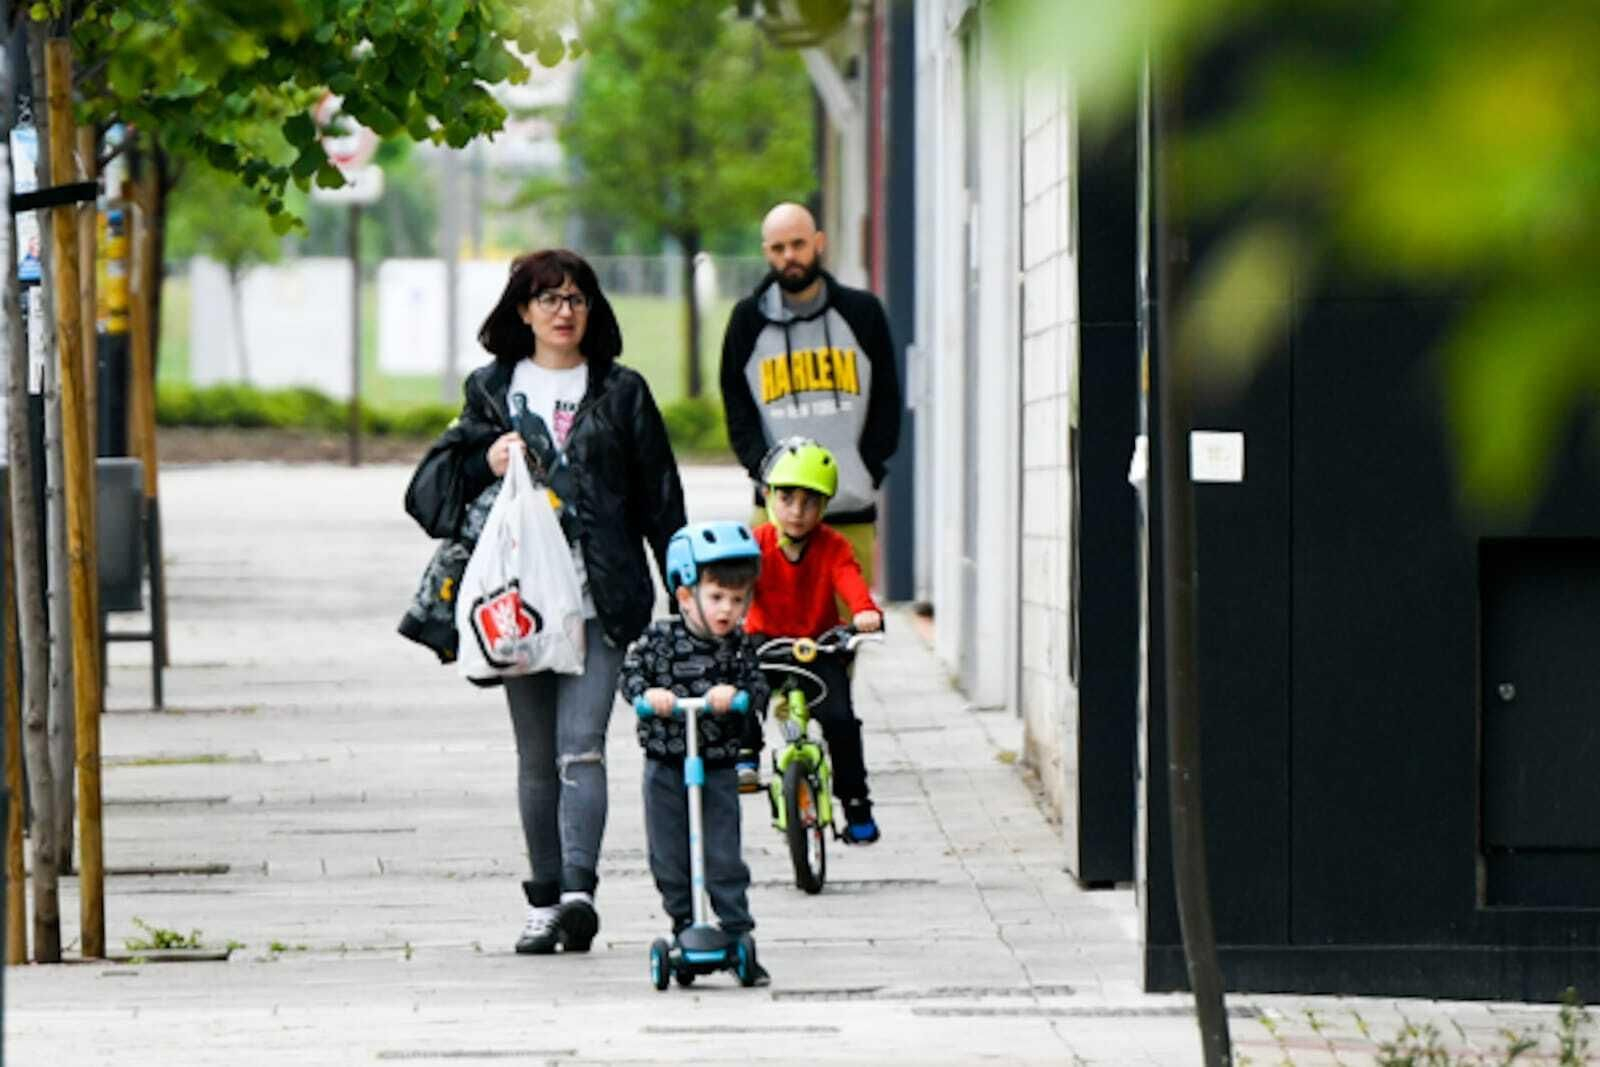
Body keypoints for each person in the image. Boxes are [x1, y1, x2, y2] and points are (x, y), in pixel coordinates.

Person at [404, 249, 687, 955]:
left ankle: (578, 895)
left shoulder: (622, 392)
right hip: (520, 603)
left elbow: (660, 496)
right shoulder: (492, 389)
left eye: (577, 298)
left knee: (581, 749)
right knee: (535, 756)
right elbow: (431, 491)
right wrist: (484, 460)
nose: (565, 311)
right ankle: (544, 894)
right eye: (549, 298)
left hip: (601, 598)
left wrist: (683, 578)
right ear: (522, 311)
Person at [718, 202, 903, 591]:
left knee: (846, 637)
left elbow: (887, 398)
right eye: (778, 247)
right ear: (766, 251)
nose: (790, 256)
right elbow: (737, 407)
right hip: (775, 513)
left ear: (819, 243)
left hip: (849, 508)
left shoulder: (862, 312)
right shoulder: (747, 321)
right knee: (770, 634)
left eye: (798, 244)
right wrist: (760, 469)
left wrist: (867, 467)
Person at [619, 521, 771, 985]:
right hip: (666, 762)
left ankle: (737, 930)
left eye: (738, 599)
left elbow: (758, 685)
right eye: (717, 597)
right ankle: (684, 925)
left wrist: (739, 695)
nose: (729, 610)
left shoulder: (740, 647)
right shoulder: (658, 641)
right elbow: (631, 677)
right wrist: (650, 697)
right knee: (668, 855)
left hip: (719, 763)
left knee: (723, 853)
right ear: (686, 595)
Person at [744, 438, 884, 844]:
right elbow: (734, 582)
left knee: (841, 723)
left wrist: (863, 611)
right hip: (766, 642)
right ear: (768, 496)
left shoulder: (832, 545)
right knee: (745, 692)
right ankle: (745, 757)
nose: (797, 512)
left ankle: (856, 805)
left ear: (825, 506)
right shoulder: (756, 544)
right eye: (787, 498)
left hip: (818, 646)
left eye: (811, 502)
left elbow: (849, 577)